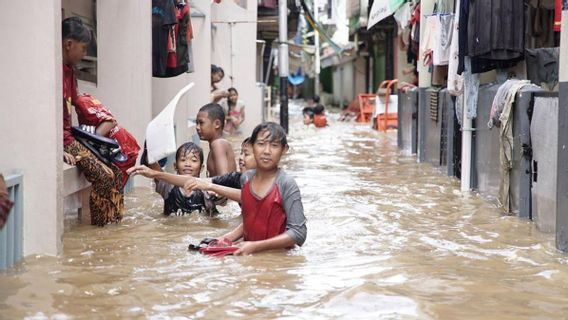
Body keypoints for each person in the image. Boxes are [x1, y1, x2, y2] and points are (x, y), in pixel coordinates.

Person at [185, 122, 307, 255]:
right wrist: (225, 239)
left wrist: (256, 246)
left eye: (274, 145)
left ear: (284, 150)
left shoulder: (286, 184)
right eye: (261, 144)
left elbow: (298, 233)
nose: (267, 151)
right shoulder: (246, 179)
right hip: (249, 256)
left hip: (279, 260)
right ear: (253, 146)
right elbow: (253, 220)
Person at [61, 17, 124, 226]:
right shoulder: (54, 72)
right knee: (104, 176)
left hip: (71, 137)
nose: (84, 54)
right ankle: (99, 229)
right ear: (69, 44)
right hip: (65, 141)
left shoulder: (69, 72)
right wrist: (57, 149)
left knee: (115, 172)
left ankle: (114, 223)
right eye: (83, 48)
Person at [127, 142, 216, 216]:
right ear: (175, 166)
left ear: (201, 168)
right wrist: (150, 146)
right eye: (183, 160)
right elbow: (153, 166)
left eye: (193, 160)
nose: (188, 164)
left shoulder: (206, 190)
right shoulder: (168, 186)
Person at [74, 94, 140, 187]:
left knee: (111, 192)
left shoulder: (82, 102)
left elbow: (110, 122)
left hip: (120, 148)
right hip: (123, 145)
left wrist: (92, 140)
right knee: (114, 192)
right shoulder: (86, 98)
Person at [195, 103, 237, 177]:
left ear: (217, 124)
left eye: (201, 123)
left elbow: (223, 180)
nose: (197, 127)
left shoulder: (218, 144)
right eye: (197, 123)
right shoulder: (215, 145)